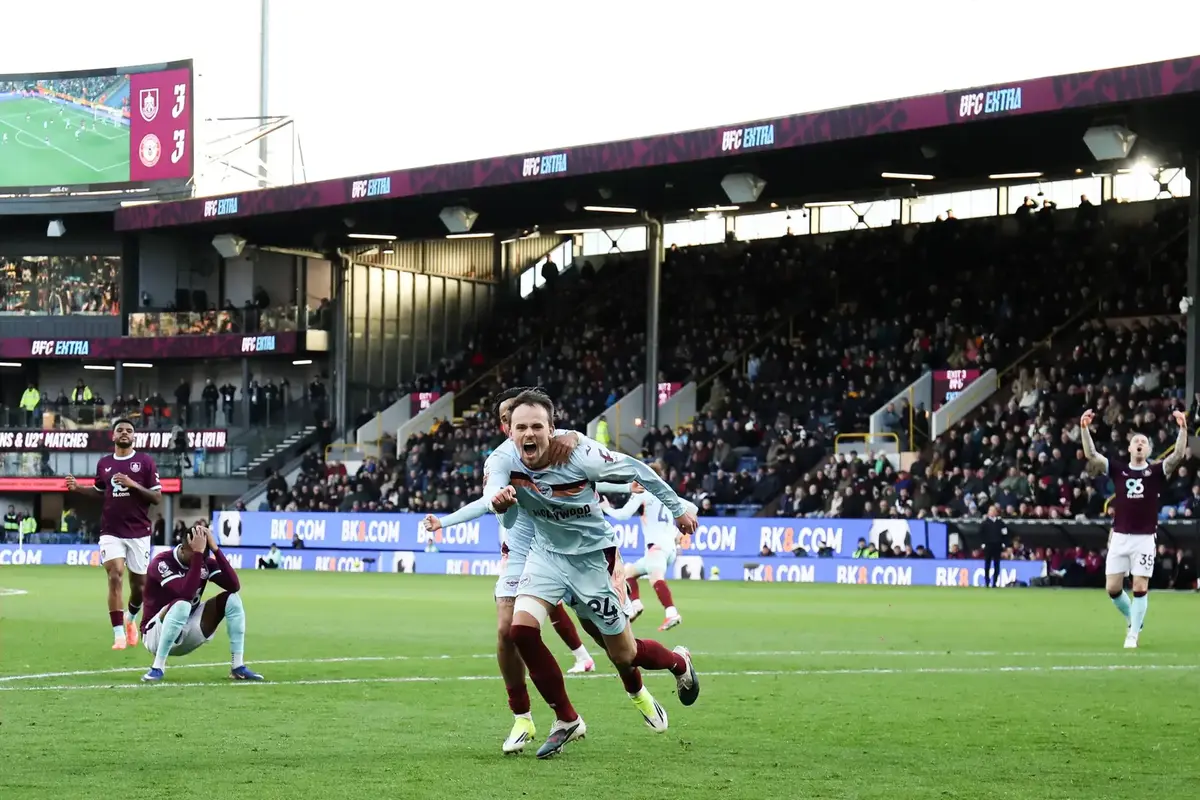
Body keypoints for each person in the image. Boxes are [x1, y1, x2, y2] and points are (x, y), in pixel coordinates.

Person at [487, 390, 700, 759]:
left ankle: (678, 662)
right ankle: (566, 719)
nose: (528, 434)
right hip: (546, 555)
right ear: (511, 431)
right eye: (521, 427)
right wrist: (499, 502)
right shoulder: (502, 459)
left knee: (624, 654)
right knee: (519, 630)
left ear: (552, 429)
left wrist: (676, 506)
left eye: (537, 426)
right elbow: (496, 497)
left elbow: (636, 470)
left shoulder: (580, 453)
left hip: (593, 561)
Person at [422, 387, 605, 754]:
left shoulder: (557, 446)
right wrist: (444, 522)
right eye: (507, 418)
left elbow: (582, 454)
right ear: (504, 424)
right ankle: (525, 718)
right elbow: (486, 501)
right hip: (519, 555)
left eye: (519, 418)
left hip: (562, 549)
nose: (515, 425)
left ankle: (634, 681)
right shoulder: (501, 460)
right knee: (509, 631)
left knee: (602, 630)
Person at [1080, 407, 1187, 648]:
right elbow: (1092, 455)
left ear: (1148, 450)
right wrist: (1084, 429)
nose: (1139, 444)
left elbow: (1178, 454)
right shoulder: (1119, 469)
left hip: (1144, 538)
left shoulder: (1156, 471)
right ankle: (1133, 619)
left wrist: (1182, 428)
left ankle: (1133, 636)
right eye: (1135, 441)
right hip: (1119, 537)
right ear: (1129, 448)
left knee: (1140, 586)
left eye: (1143, 442)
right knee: (1112, 588)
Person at [66, 418, 161, 650]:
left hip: (138, 531)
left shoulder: (145, 462)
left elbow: (156, 497)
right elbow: (100, 492)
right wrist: (78, 488)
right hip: (111, 530)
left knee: (139, 587)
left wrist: (133, 485)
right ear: (113, 436)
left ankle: (130, 619)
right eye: (120, 430)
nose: (125, 433)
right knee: (115, 574)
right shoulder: (105, 464)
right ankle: (118, 634)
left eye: (129, 430)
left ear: (134, 436)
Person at [140, 520, 262, 682]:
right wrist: (198, 554)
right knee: (182, 604)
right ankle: (157, 668)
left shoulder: (202, 560)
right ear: (183, 549)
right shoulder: (162, 563)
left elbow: (234, 585)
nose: (202, 559)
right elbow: (186, 593)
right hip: (155, 635)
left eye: (204, 554)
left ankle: (237, 667)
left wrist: (216, 550)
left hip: (189, 628)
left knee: (232, 599)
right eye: (197, 553)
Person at [600, 466, 697, 630]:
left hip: (656, 548)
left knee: (656, 578)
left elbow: (623, 515)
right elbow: (693, 508)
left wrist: (606, 507)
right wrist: (682, 528)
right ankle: (636, 605)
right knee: (628, 573)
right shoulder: (667, 493)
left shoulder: (643, 493)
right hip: (669, 547)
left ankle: (671, 613)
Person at [979, 504, 1008, 588]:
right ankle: (987, 582)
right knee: (987, 564)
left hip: (997, 546)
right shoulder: (984, 523)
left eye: (993, 510)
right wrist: (983, 544)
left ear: (996, 512)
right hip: (988, 546)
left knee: (996, 565)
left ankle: (994, 583)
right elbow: (980, 534)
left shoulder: (1000, 523)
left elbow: (1005, 534)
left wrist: (1004, 543)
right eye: (990, 510)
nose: (991, 512)